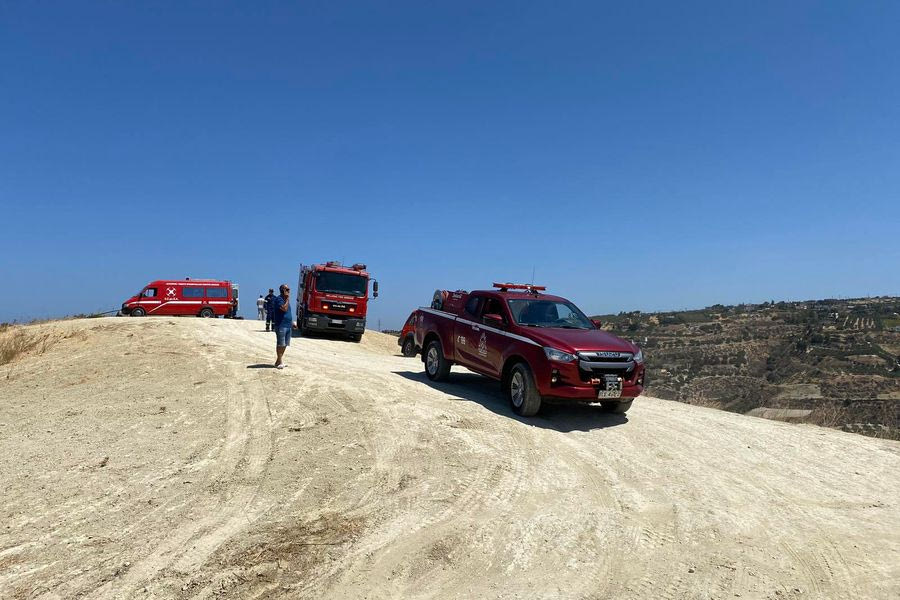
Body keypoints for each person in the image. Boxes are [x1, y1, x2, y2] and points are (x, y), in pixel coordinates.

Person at [272, 284, 293, 369]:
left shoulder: (285, 300)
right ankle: (279, 361)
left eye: (289, 289)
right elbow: (284, 309)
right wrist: (287, 299)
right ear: (282, 290)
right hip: (281, 325)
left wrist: (292, 323)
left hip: (288, 325)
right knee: (280, 344)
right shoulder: (279, 299)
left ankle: (278, 361)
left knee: (285, 344)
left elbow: (288, 312)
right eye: (287, 289)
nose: (289, 291)